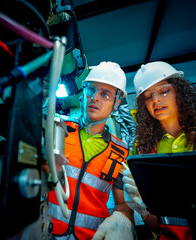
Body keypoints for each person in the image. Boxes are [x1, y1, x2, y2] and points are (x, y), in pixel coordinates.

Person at [122, 61, 196, 240]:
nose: (156, 100)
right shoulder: (144, 152)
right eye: (148, 97)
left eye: (164, 91)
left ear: (181, 92)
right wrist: (143, 209)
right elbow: (157, 224)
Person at [47, 61, 134, 240]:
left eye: (105, 94)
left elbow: (123, 204)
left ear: (117, 103)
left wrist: (123, 219)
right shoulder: (58, 129)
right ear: (82, 95)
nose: (95, 98)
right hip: (45, 231)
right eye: (91, 90)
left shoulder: (120, 152)